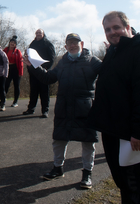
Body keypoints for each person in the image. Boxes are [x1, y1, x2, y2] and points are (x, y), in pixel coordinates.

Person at [88, 11, 140, 203]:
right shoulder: (114, 51)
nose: (112, 32)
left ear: (128, 28)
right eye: (107, 29)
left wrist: (139, 131)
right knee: (122, 180)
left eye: (116, 27)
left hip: (133, 134)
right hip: (113, 129)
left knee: (135, 182)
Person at [25, 33, 102, 189]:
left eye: (75, 42)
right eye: (69, 44)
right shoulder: (63, 62)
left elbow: (110, 73)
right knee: (59, 139)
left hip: (85, 108)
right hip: (64, 107)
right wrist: (33, 66)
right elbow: (48, 78)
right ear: (66, 47)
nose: (72, 45)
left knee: (88, 142)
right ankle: (57, 168)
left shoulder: (93, 61)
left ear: (82, 43)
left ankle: (87, 173)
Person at [24, 28, 55, 118]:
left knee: (44, 92)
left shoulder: (48, 44)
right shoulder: (32, 44)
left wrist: (46, 68)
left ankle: (45, 111)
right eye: (37, 33)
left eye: (40, 33)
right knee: (33, 91)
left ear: (43, 34)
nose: (38, 34)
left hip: (44, 72)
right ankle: (31, 109)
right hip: (33, 71)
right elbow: (29, 56)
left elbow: (52, 58)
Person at [3, 36, 24, 107]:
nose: (12, 43)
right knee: (6, 84)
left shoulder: (18, 51)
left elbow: (21, 63)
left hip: (15, 69)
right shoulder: (5, 50)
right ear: (9, 43)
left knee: (16, 85)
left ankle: (15, 101)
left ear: (15, 44)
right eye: (11, 42)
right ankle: (3, 99)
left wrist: (20, 72)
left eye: (14, 43)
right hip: (8, 69)